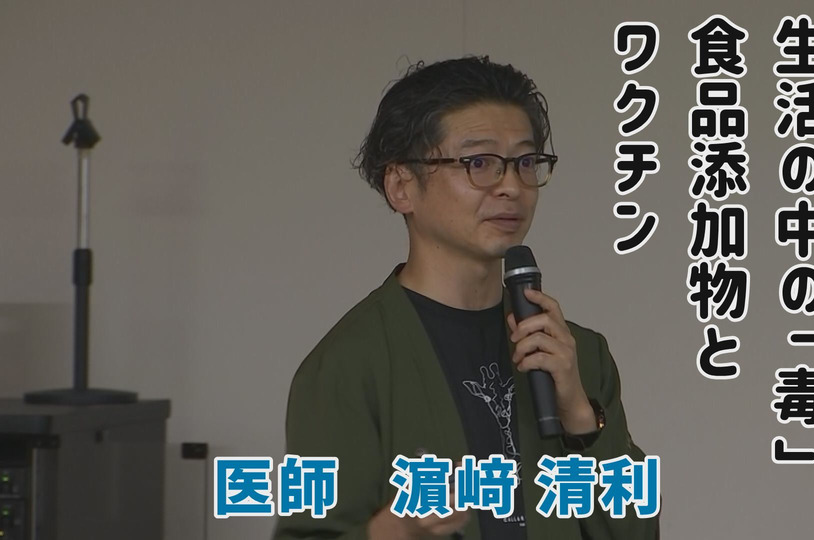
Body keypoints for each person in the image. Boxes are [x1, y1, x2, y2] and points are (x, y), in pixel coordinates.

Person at [273, 55, 659, 540]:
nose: (511, 187)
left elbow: (638, 534)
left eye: (525, 162)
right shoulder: (349, 366)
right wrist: (387, 534)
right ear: (401, 186)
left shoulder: (577, 354)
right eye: (479, 163)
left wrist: (581, 416)